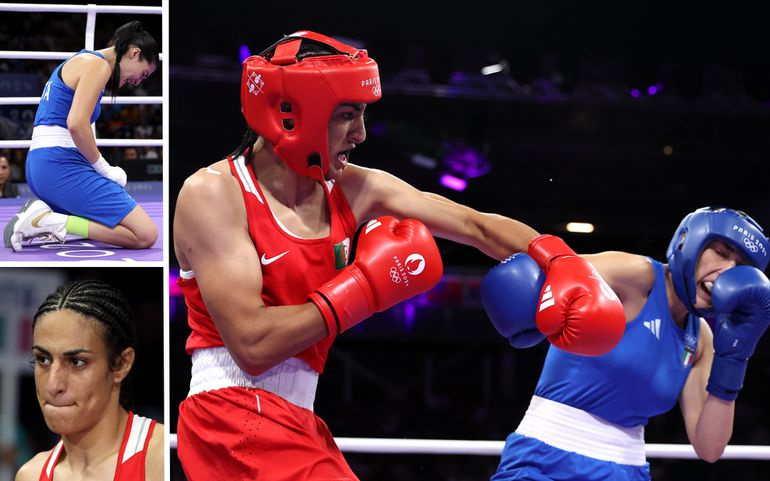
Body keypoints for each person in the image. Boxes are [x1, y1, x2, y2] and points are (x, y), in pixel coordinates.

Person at [172, 30, 627, 481]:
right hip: (232, 416)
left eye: (362, 114)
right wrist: (364, 288)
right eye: (348, 115)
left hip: (297, 419)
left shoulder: (354, 188)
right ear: (292, 113)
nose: (361, 133)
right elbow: (252, 346)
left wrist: (559, 260)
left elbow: (475, 225)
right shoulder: (214, 194)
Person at [481, 206, 770, 480]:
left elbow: (709, 448)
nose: (727, 271)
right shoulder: (635, 275)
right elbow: (549, 260)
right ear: (690, 244)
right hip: (544, 457)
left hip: (626, 469)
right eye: (720, 253)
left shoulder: (702, 339)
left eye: (740, 266)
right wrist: (470, 226)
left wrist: (735, 357)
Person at [3, 21, 159, 252]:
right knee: (145, 234)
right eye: (143, 73)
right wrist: (104, 168)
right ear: (134, 53)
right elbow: (76, 124)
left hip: (45, 167)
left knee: (111, 226)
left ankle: (48, 216)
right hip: (58, 166)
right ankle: (48, 221)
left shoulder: (85, 61)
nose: (138, 81)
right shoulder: (98, 65)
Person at [14, 280, 164, 481]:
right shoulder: (30, 475)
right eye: (43, 359)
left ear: (121, 364)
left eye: (76, 362)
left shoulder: (160, 458)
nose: (53, 385)